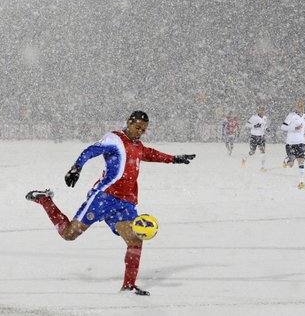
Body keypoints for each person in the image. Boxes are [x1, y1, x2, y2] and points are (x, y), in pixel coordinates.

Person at [25, 111, 196, 296]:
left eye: (144, 130)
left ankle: (129, 286)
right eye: (137, 127)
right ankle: (44, 200)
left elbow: (149, 154)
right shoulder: (114, 138)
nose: (140, 132)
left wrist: (174, 159)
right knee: (69, 234)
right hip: (103, 198)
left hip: (125, 203)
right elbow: (91, 150)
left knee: (135, 239)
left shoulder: (137, 146)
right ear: (129, 123)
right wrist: (76, 167)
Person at [281, 99, 305, 189]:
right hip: (291, 143)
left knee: (301, 160)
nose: (300, 107)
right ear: (296, 107)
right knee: (291, 164)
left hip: (301, 142)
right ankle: (287, 160)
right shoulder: (291, 116)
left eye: (302, 105)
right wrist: (293, 128)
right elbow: (283, 127)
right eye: (299, 105)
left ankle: (301, 182)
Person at [241, 106, 268, 171]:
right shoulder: (254, 117)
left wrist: (266, 128)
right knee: (252, 152)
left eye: (262, 110)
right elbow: (247, 124)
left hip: (261, 137)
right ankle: (244, 158)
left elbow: (264, 125)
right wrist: (254, 126)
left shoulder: (265, 118)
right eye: (260, 110)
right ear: (257, 111)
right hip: (254, 136)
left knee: (262, 151)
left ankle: (262, 167)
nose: (261, 112)